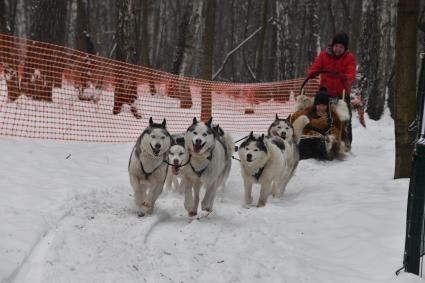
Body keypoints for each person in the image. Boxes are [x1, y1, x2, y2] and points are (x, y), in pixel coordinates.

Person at [307, 32, 357, 147]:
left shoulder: (349, 58)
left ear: (345, 48)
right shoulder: (324, 55)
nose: (338, 49)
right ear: (332, 46)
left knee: (344, 116)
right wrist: (312, 73)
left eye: (341, 47)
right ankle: (315, 134)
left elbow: (351, 75)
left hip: (341, 94)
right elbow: (315, 67)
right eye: (336, 46)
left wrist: (344, 76)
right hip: (325, 92)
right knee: (318, 114)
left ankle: (346, 141)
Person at [291, 87, 346, 160]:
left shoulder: (331, 114)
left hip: (324, 138)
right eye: (319, 105)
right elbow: (295, 116)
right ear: (315, 105)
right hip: (308, 136)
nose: (321, 108)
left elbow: (337, 127)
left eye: (323, 105)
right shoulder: (310, 111)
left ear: (327, 105)